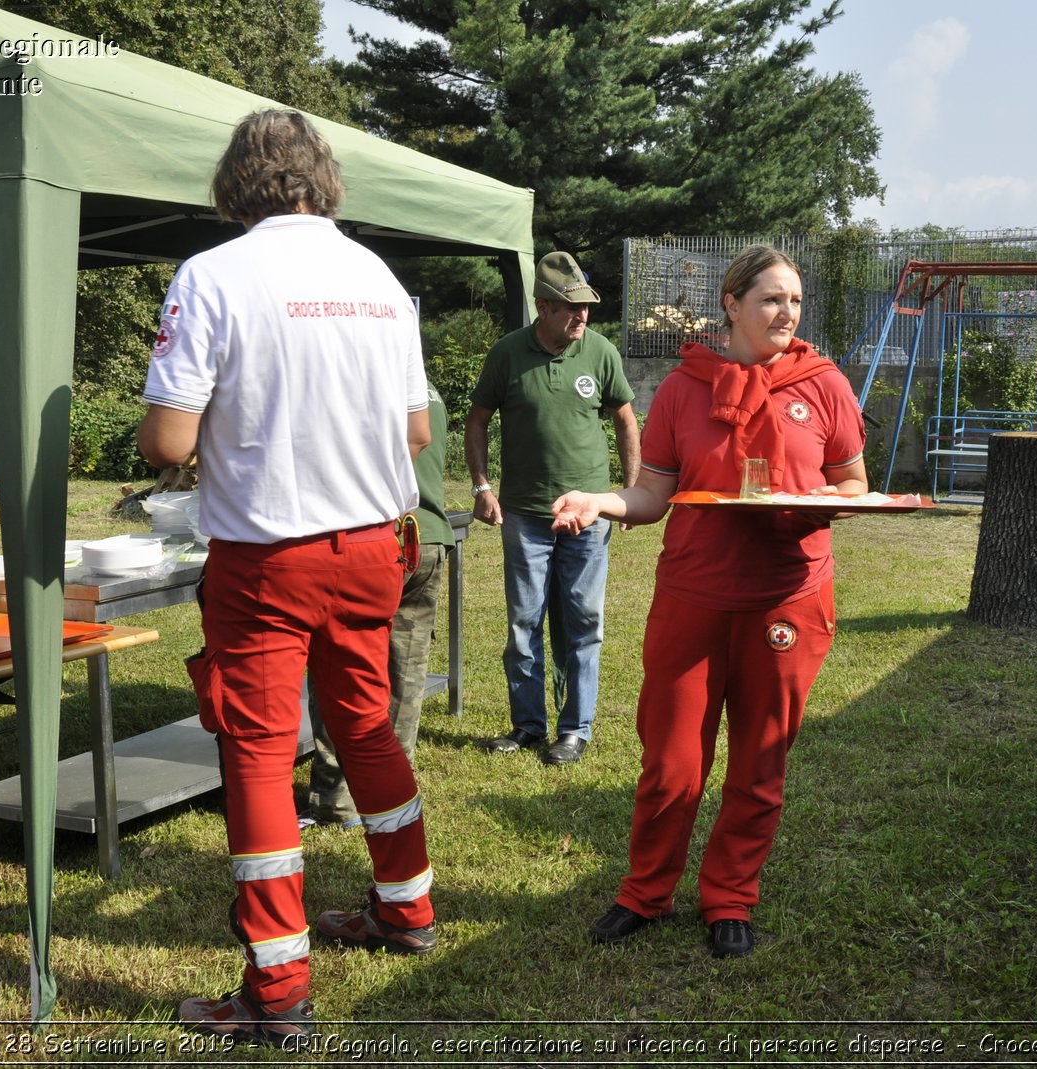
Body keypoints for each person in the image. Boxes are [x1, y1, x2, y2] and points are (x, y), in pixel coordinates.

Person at [137, 109, 436, 1047]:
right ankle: (407, 906)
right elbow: (416, 430)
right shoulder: (379, 278)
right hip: (375, 543)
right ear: (322, 178)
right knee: (365, 723)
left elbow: (168, 440)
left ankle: (277, 989)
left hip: (270, 551)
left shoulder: (213, 274)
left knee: (260, 752)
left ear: (237, 185)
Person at [551, 245, 866, 958]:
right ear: (732, 304)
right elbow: (651, 495)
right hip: (693, 595)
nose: (786, 311)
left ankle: (731, 896)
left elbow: (851, 483)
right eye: (770, 299)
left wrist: (817, 502)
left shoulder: (824, 385)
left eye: (793, 299)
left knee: (759, 759)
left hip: (787, 596)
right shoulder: (683, 390)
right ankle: (644, 891)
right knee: (670, 760)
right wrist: (597, 499)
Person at [466, 251, 639, 765]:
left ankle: (575, 730)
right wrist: (481, 486)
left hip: (588, 517)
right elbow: (476, 421)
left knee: (583, 620)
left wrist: (627, 497)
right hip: (524, 515)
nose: (581, 316)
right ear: (541, 306)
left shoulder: (601, 352)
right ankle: (527, 726)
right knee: (524, 623)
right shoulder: (507, 354)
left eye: (585, 307)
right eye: (570, 307)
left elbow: (627, 422)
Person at [305, 384, 457, 829]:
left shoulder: (359, 379)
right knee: (406, 674)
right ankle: (393, 793)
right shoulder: (427, 388)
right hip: (426, 536)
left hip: (371, 541)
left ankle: (337, 800)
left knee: (340, 669)